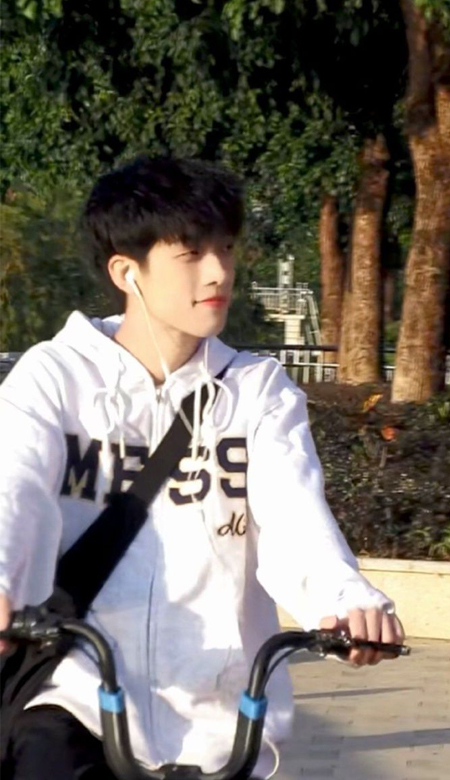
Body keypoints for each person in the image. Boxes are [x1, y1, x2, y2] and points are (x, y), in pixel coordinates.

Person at [0, 155, 404, 779]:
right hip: (75, 693)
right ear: (126, 272)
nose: (218, 271)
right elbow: (14, 487)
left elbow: (296, 518)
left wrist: (346, 601)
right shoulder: (55, 379)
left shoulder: (257, 391)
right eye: (190, 253)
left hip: (220, 718)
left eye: (226, 249)